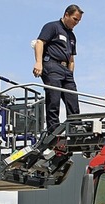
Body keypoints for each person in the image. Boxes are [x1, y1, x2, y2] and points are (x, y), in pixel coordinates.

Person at [32, 4, 83, 134]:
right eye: (75, 19)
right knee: (53, 99)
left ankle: (75, 127)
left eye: (78, 21)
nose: (76, 23)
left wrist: (70, 74)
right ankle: (53, 130)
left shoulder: (72, 36)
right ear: (66, 14)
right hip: (52, 65)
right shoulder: (52, 26)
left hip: (66, 69)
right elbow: (39, 42)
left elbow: (71, 58)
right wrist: (39, 62)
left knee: (72, 98)